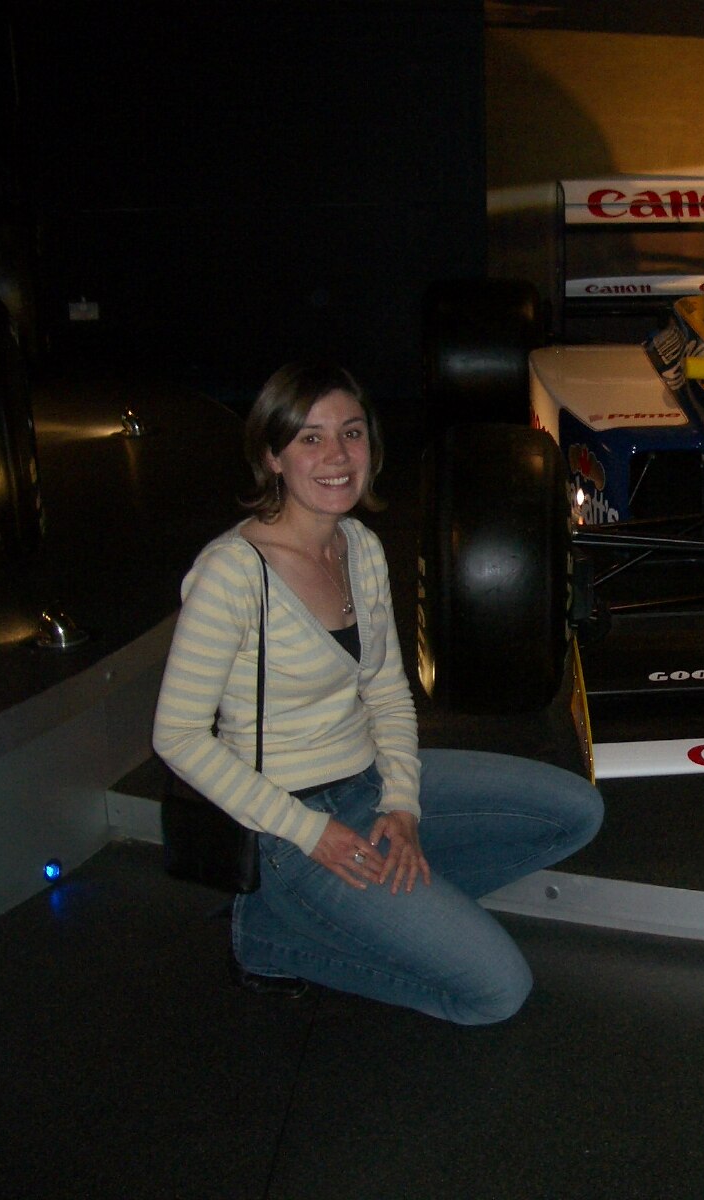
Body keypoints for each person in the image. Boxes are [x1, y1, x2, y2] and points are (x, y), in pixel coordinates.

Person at [152, 362, 603, 1023]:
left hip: (365, 783)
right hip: (287, 828)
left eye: (352, 433)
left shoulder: (357, 545)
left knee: (575, 809)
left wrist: (401, 803)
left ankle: (384, 912)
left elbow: (388, 692)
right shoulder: (231, 575)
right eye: (310, 438)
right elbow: (178, 736)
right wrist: (313, 833)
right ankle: (272, 938)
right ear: (273, 456)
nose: (337, 457)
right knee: (495, 994)